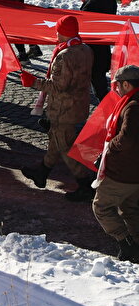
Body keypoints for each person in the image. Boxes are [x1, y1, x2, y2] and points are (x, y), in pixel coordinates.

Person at [20, 15, 95, 201]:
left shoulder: (64, 56)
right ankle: (42, 172)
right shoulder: (85, 49)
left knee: (65, 147)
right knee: (56, 139)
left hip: (63, 109)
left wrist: (33, 82)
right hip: (78, 105)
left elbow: (58, 86)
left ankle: (85, 185)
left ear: (62, 32)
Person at [93, 65, 139, 261]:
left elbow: (127, 138)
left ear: (126, 84)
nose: (116, 89)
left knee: (101, 206)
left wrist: (110, 147)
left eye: (117, 85)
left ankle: (126, 244)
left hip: (123, 171)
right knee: (131, 209)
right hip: (135, 171)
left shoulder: (133, 106)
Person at [77, 0, 118, 102]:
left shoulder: (91, 4)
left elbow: (82, 24)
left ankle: (108, 108)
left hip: (92, 50)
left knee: (98, 85)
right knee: (98, 79)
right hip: (104, 47)